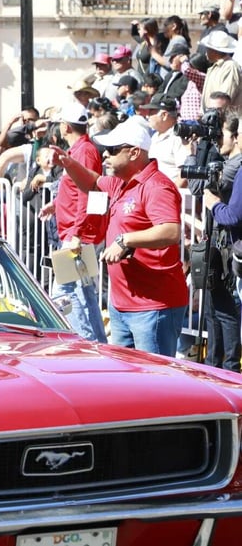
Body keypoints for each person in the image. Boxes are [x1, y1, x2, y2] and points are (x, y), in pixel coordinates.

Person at [49, 117, 188, 357]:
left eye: (112, 150)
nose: (105, 156)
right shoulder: (121, 183)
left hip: (152, 307)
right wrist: (69, 164)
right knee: (129, 381)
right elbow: (92, 183)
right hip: (123, 305)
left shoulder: (157, 186)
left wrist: (125, 240)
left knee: (154, 384)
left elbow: (170, 230)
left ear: (134, 153)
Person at [39, 103, 108, 343]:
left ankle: (86, 343)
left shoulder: (84, 151)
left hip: (77, 235)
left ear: (65, 127)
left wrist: (78, 233)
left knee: (64, 292)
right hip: (77, 233)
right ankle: (96, 344)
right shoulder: (82, 150)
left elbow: (89, 193)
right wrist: (56, 204)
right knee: (83, 292)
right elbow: (79, 190)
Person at [195, 115, 242, 372]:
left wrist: (213, 203)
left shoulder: (236, 166)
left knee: (226, 311)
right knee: (213, 311)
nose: (216, 138)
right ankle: (215, 367)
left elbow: (231, 214)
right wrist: (201, 146)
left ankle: (229, 370)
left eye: (220, 133)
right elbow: (195, 184)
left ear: (235, 137)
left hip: (229, 249)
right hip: (219, 246)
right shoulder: (226, 162)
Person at [200, 30, 242, 112]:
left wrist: (214, 114)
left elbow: (224, 98)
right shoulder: (215, 67)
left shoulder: (230, 67)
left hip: (223, 120)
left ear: (214, 51)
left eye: (208, 49)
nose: (206, 52)